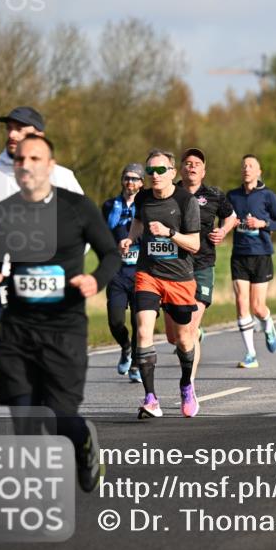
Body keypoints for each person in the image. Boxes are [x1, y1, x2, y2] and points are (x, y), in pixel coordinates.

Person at [0, 135, 119, 491]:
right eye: (20, 159)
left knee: (59, 417)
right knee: (25, 417)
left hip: (64, 329)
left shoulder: (77, 208)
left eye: (34, 158)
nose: (25, 165)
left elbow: (111, 254)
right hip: (17, 329)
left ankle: (83, 441)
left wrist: (95, 279)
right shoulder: (2, 213)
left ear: (50, 165)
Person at [0, 107, 83, 355]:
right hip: (3, 282)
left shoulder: (62, 177)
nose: (12, 134)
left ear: (39, 135)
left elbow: (84, 227)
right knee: (7, 359)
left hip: (50, 280)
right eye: (9, 128)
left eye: (20, 129)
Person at [120, 149, 201, 419]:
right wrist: (130, 238)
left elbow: (195, 244)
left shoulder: (186, 201)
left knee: (183, 339)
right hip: (148, 274)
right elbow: (138, 222)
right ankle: (151, 398)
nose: (155, 175)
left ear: (172, 172)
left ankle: (186, 385)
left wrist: (169, 233)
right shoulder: (143, 198)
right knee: (143, 330)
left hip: (179, 278)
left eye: (160, 170)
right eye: (150, 171)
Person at [176, 148, 236, 381]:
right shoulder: (171, 194)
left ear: (204, 171)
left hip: (203, 264)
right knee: (176, 336)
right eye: (188, 163)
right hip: (174, 267)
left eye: (197, 163)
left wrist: (223, 230)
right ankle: (194, 334)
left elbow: (231, 216)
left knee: (189, 330)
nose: (192, 166)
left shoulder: (214, 195)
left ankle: (188, 385)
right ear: (180, 169)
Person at [225, 155, 276, 369]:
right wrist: (229, 224)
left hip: (261, 254)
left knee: (258, 307)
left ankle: (268, 325)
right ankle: (250, 354)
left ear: (259, 171)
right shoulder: (232, 195)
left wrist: (262, 223)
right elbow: (225, 219)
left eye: (251, 166)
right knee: (242, 303)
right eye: (244, 166)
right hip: (239, 255)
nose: (246, 169)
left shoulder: (268, 195)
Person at [102, 163, 145, 382]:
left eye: (135, 178)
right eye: (127, 178)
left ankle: (136, 364)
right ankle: (126, 347)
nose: (130, 182)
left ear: (142, 183)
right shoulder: (110, 205)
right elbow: (100, 234)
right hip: (117, 273)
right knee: (115, 321)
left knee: (139, 322)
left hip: (140, 272)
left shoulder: (147, 205)